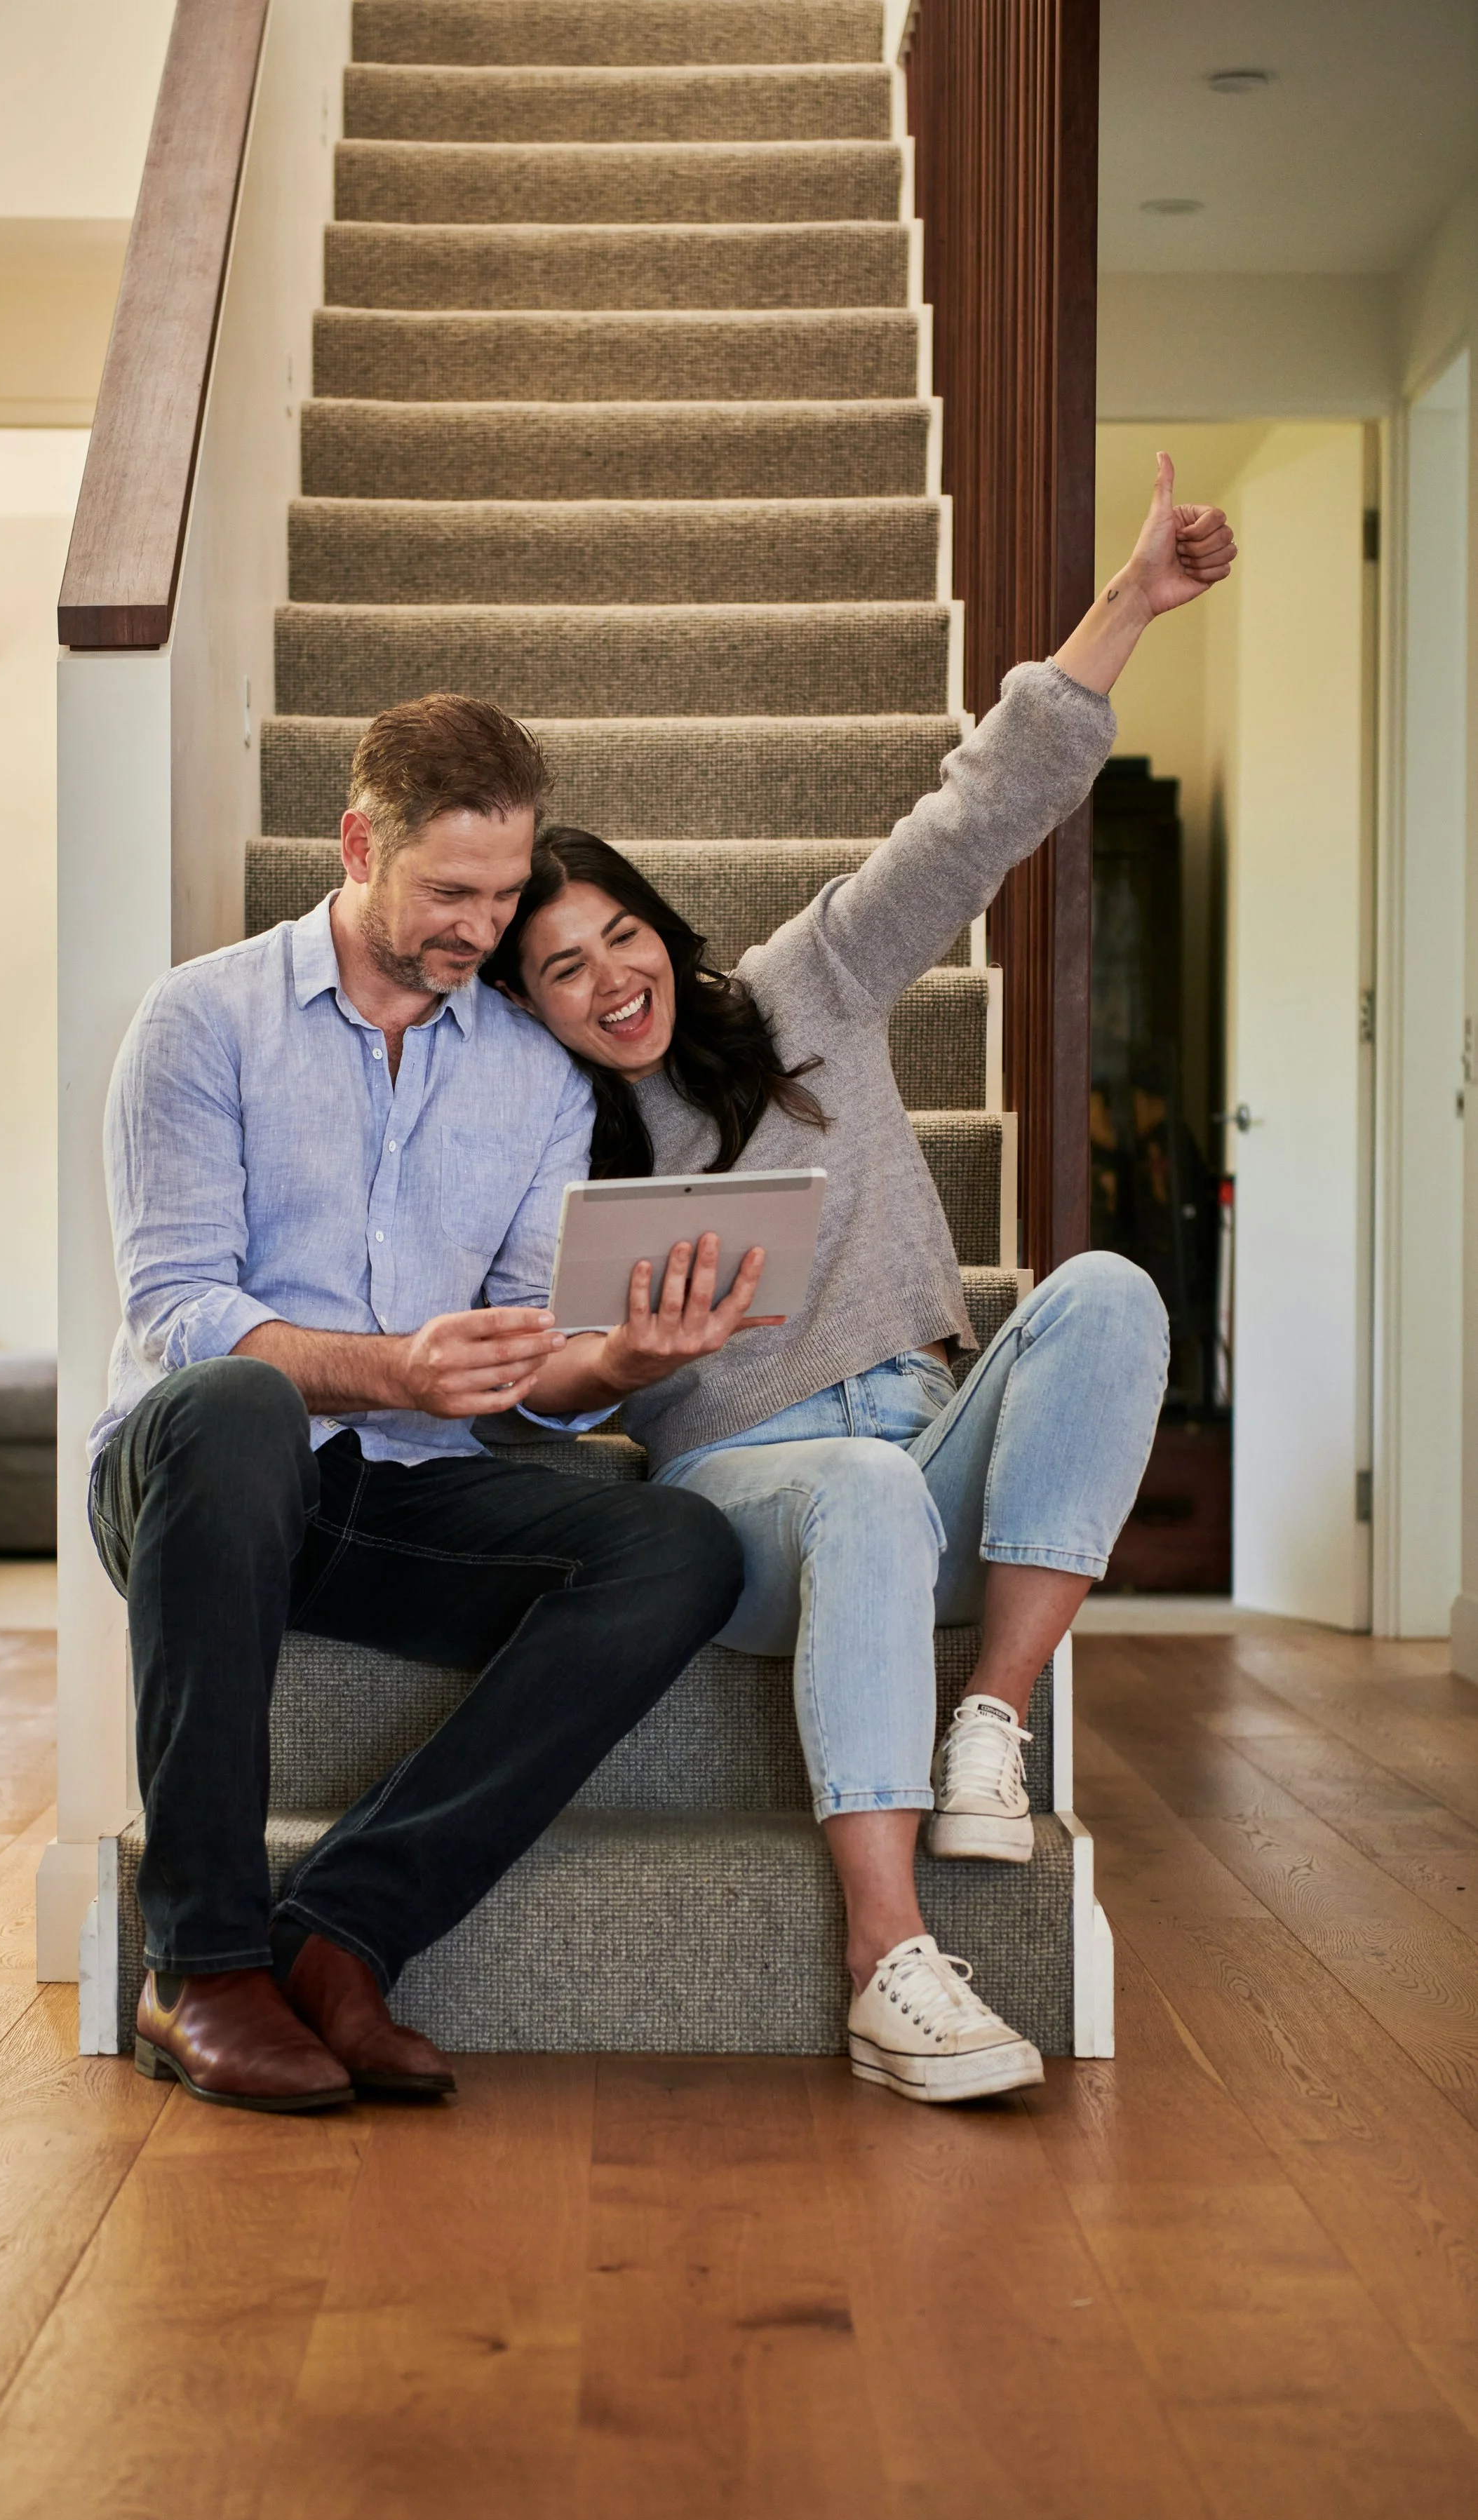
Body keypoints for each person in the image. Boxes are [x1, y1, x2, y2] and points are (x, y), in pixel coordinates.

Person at [485, 454, 1237, 2105]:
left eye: (618, 937)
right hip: (750, 1501)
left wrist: (1127, 607)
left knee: (1106, 1286)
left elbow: (977, 814)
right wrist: (616, 1370)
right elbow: (511, 1380)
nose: (607, 980)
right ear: (524, 1009)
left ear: (659, 930)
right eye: (556, 970)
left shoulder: (802, 991)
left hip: (922, 1430)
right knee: (859, 1498)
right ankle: (882, 1959)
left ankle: (988, 1719)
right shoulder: (541, 1150)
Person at [90, 694, 756, 2115]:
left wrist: (617, 1367)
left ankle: (339, 1935)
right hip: (197, 1485)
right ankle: (199, 1963)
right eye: (450, 891)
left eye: (504, 893)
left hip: (393, 1495)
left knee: (678, 1545)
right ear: (356, 846)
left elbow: (527, 1350)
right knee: (235, 1405)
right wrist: (389, 1366)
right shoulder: (201, 1021)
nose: (480, 928)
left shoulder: (531, 1071)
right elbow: (180, 1307)